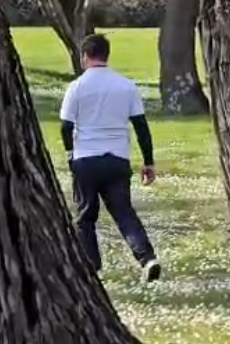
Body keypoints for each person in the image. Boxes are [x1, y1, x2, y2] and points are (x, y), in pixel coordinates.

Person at [59, 34, 162, 282]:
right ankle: (147, 259)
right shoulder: (126, 86)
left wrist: (70, 153)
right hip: (117, 158)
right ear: (107, 55)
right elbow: (141, 127)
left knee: (85, 216)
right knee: (124, 213)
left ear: (84, 57)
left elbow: (65, 126)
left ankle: (92, 267)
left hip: (86, 159)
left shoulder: (77, 87)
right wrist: (148, 162)